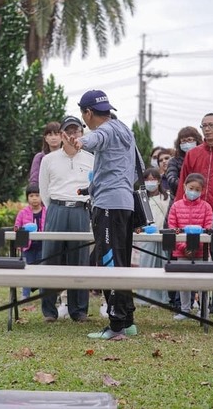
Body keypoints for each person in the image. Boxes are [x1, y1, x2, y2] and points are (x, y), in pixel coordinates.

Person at [64, 89, 139, 340]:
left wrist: (80, 142)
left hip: (108, 205)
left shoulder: (104, 130)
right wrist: (92, 187)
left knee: (109, 262)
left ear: (87, 113)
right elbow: (130, 168)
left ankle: (116, 327)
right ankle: (127, 320)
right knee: (122, 262)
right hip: (125, 202)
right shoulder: (125, 129)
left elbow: (96, 138)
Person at [175, 112, 213, 318]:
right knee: (188, 256)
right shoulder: (192, 154)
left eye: (212, 125)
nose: (207, 129)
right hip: (192, 218)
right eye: (204, 125)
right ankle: (187, 306)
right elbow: (182, 185)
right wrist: (180, 213)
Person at [38, 116, 93, 323]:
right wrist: (55, 207)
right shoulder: (49, 160)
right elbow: (44, 190)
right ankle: (49, 310)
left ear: (81, 133)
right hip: (57, 208)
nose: (72, 135)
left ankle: (79, 310)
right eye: (68, 131)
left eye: (76, 131)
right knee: (50, 257)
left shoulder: (90, 159)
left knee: (79, 259)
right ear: (61, 135)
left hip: (80, 209)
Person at [167, 173, 213, 320]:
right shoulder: (176, 206)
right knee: (183, 281)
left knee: (202, 282)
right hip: (181, 252)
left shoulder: (206, 207)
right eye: (191, 188)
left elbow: (208, 228)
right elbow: (172, 228)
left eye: (197, 189)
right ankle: (185, 309)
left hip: (201, 252)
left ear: (202, 191)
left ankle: (203, 309)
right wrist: (183, 246)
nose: (193, 191)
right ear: (184, 187)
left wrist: (194, 246)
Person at [134, 168, 170, 306]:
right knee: (146, 266)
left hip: (163, 236)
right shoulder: (140, 197)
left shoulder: (166, 197)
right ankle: (144, 298)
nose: (150, 182)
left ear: (159, 181)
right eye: (147, 179)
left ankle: (163, 298)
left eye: (153, 179)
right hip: (147, 237)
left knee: (163, 266)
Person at [14, 184, 46, 299]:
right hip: (27, 247)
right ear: (27, 197)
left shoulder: (46, 211)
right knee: (26, 269)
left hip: (43, 245)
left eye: (37, 195)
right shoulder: (23, 213)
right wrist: (22, 229)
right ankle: (25, 295)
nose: (34, 198)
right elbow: (17, 227)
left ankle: (43, 295)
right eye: (31, 195)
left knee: (43, 270)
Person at [165, 127, 203, 198]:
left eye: (189, 140)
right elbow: (171, 179)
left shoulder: (202, 158)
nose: (187, 143)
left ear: (197, 140)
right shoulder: (174, 161)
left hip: (201, 199)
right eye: (183, 141)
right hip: (178, 199)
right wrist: (190, 187)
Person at [28, 121, 62, 186]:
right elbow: (34, 181)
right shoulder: (39, 158)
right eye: (50, 135)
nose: (53, 138)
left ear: (62, 137)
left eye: (56, 134)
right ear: (46, 138)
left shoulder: (68, 157)